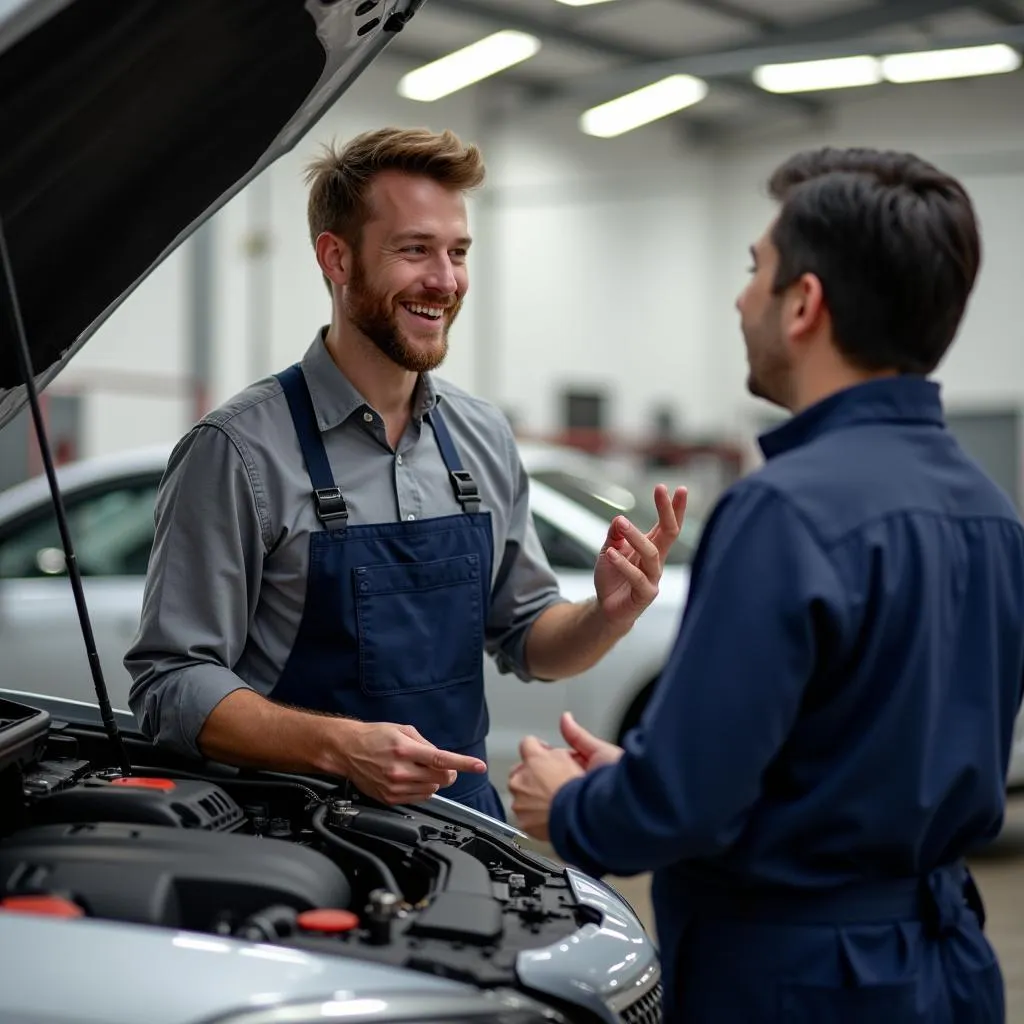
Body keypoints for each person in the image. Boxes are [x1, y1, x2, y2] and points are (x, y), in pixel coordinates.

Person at [508, 146, 1024, 1021]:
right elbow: (848, 757)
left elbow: (680, 811)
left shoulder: (783, 510)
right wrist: (650, 772)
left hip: (797, 982)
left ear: (804, 305)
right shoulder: (990, 509)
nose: (742, 296)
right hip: (948, 967)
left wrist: (575, 806)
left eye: (757, 269)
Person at [125, 126, 687, 821]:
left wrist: (605, 616)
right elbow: (170, 684)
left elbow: (530, 638)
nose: (445, 282)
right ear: (336, 258)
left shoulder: (482, 436)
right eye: (414, 250)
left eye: (457, 253)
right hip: (295, 835)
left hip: (462, 828)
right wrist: (339, 746)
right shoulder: (238, 451)